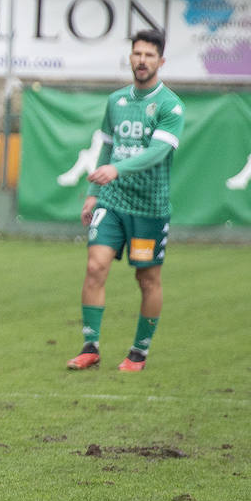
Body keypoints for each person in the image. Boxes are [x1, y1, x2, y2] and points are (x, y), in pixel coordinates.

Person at [66, 29, 184, 373]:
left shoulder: (170, 105)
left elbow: (158, 152)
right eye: (137, 54)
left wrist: (116, 169)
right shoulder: (115, 101)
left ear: (161, 61)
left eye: (149, 55)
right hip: (112, 202)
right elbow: (106, 145)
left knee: (146, 280)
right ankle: (90, 347)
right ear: (130, 58)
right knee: (95, 266)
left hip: (149, 208)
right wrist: (92, 195)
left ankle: (139, 353)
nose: (142, 60)